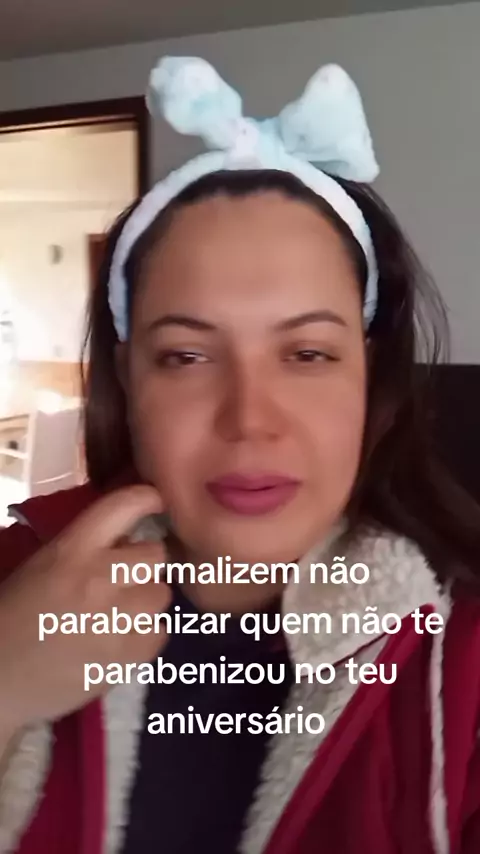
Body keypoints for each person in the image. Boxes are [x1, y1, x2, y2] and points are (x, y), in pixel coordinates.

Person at [1, 56, 480, 854]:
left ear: (369, 378)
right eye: (187, 357)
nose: (249, 421)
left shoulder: (460, 665)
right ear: (129, 377)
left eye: (308, 354)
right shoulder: (14, 580)